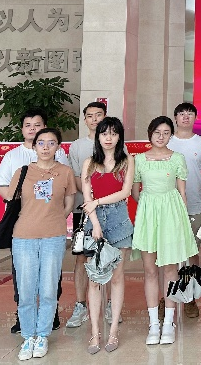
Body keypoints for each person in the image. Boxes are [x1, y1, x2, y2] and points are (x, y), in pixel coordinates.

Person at [0, 108, 69, 334]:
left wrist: (58, 214)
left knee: (50, 276)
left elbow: (67, 191)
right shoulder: (13, 157)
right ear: (23, 130)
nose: (33, 129)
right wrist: (18, 203)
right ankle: (24, 319)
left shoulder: (60, 157)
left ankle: (50, 317)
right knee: (23, 276)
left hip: (51, 227)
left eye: (37, 125)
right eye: (28, 125)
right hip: (23, 225)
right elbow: (1, 184)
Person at [6, 128, 76, 361]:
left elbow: (69, 203)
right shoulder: (23, 172)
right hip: (23, 236)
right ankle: (28, 336)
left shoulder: (65, 172)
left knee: (48, 288)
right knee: (26, 290)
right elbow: (12, 201)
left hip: (53, 237)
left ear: (58, 147)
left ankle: (42, 335)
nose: (46, 147)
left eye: (51, 143)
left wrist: (54, 220)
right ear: (34, 146)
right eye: (41, 143)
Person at [131, 116, 198, 346]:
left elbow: (182, 192)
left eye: (166, 132)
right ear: (150, 133)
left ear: (171, 135)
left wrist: (180, 219)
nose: (161, 136)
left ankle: (169, 323)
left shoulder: (177, 158)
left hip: (172, 214)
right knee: (150, 270)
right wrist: (149, 206)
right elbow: (135, 192)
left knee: (171, 270)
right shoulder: (139, 160)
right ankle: (154, 324)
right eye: (157, 132)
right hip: (148, 215)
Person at [80, 116, 135, 354]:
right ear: (98, 136)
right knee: (94, 279)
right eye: (104, 133)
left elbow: (125, 192)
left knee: (117, 277)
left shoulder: (127, 161)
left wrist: (98, 202)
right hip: (95, 221)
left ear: (119, 136)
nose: (109, 138)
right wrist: (95, 224)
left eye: (113, 133)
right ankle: (95, 333)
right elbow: (87, 198)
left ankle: (113, 332)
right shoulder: (89, 163)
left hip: (119, 219)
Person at [167, 101, 201, 319]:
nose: (186, 117)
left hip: (194, 205)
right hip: (168, 206)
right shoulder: (167, 141)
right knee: (168, 254)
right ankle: (167, 296)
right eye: (182, 114)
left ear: (195, 118)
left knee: (192, 253)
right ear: (175, 118)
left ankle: (191, 298)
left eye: (190, 113)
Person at [65, 101, 106, 329]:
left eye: (98, 115)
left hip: (109, 208)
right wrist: (91, 197)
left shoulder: (115, 143)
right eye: (90, 116)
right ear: (85, 119)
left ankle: (108, 304)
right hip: (83, 209)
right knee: (82, 257)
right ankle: (81, 304)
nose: (94, 119)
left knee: (110, 255)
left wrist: (102, 198)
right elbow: (74, 177)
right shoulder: (77, 146)